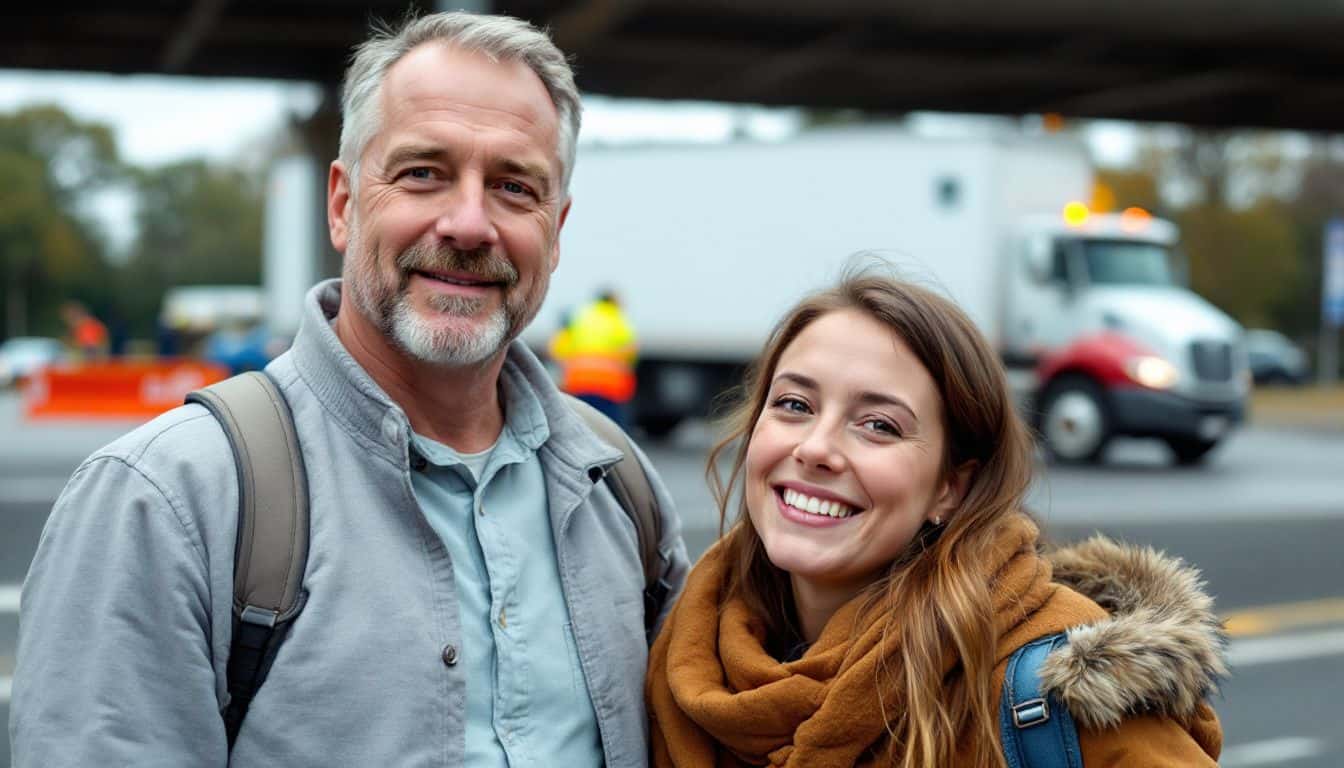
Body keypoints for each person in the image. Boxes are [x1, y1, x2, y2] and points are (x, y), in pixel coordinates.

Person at [12, 12, 688, 767]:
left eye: (513, 186)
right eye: (423, 172)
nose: (469, 224)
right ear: (342, 204)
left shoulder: (620, 490)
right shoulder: (166, 500)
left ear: (556, 232)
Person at [647, 272, 1225, 766]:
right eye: (795, 405)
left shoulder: (1053, 693)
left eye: (879, 424)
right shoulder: (678, 658)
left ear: (951, 488)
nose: (816, 448)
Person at [548, 288, 639, 429]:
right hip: (609, 386)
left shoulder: (581, 317)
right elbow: (631, 352)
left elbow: (558, 349)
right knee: (610, 430)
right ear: (613, 301)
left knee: (582, 425)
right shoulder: (617, 319)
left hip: (579, 382)